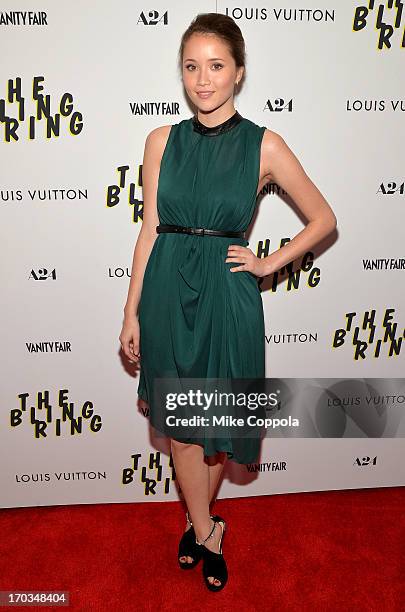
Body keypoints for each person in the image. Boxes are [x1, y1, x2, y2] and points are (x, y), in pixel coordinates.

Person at [119, 13, 337, 592]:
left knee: (212, 422)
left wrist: (268, 262)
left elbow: (323, 219)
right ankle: (206, 527)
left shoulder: (264, 144)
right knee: (183, 428)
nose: (203, 79)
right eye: (192, 67)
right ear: (181, 74)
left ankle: (199, 527)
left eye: (216, 66)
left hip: (225, 293)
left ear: (238, 73)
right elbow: (148, 230)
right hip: (167, 287)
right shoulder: (159, 141)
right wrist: (130, 309)